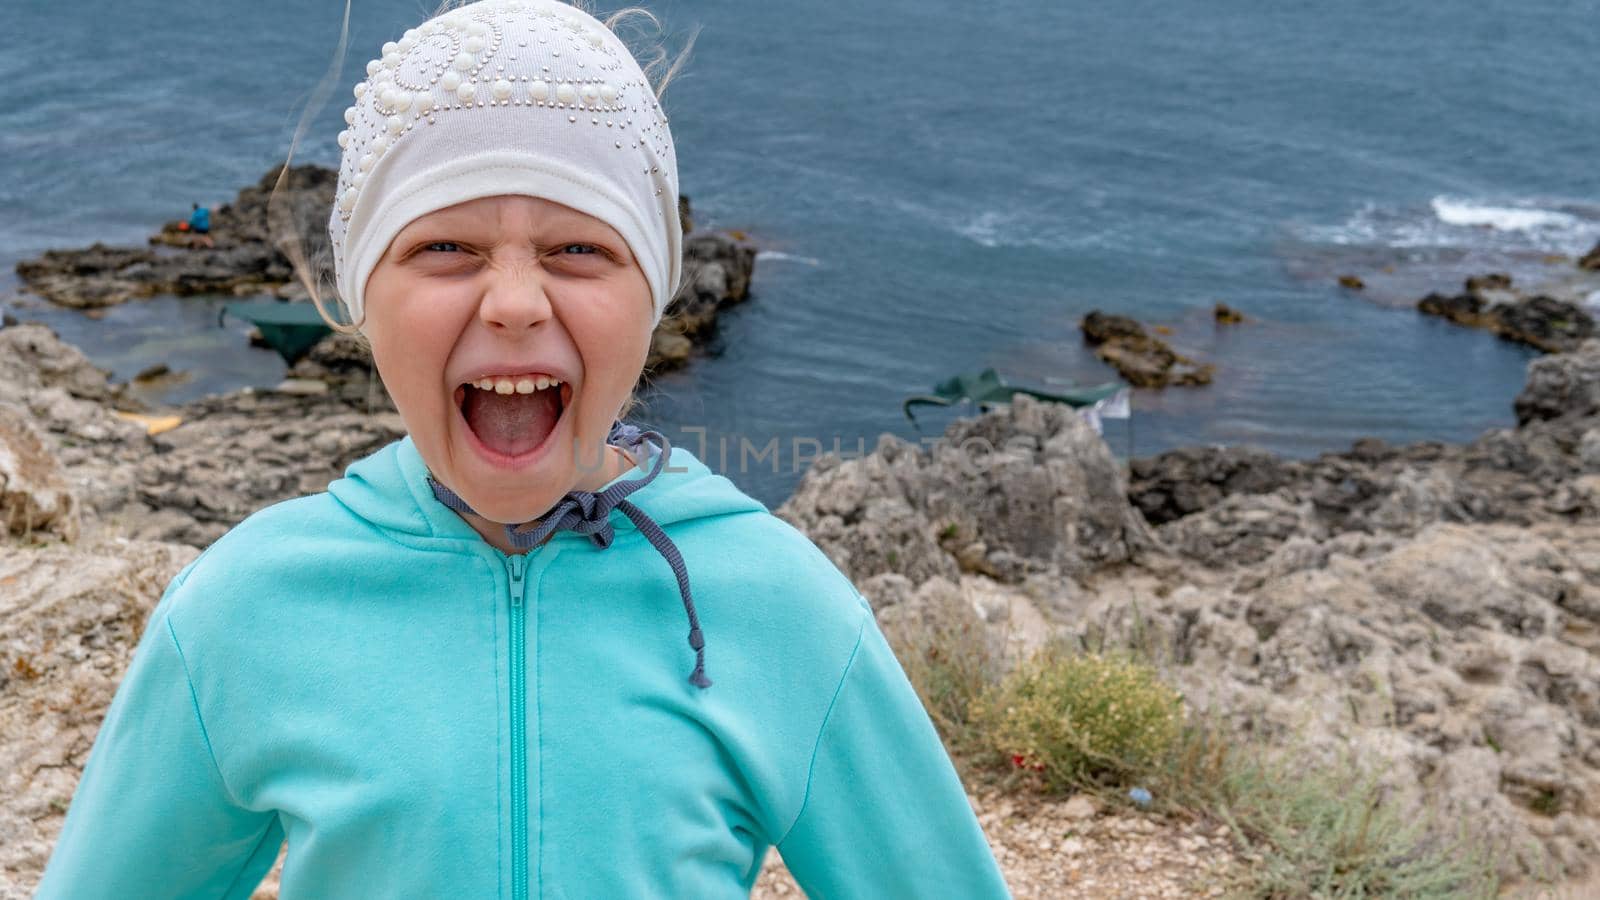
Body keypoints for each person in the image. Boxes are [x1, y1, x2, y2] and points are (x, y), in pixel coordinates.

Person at [35, 1, 1013, 898]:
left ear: (653, 292)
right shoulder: (245, 609)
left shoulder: (777, 605)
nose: (512, 302)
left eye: (579, 250)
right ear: (359, 297)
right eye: (444, 249)